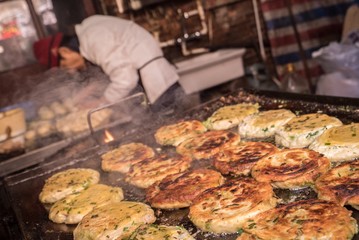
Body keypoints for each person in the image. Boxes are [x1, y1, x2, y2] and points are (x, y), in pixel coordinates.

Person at [33, 14, 182, 112]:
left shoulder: (96, 40)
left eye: (65, 65)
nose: (70, 70)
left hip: (156, 82)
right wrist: (86, 93)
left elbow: (125, 79)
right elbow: (110, 72)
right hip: (150, 78)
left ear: (64, 52)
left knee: (173, 133)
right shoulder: (88, 34)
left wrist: (100, 103)